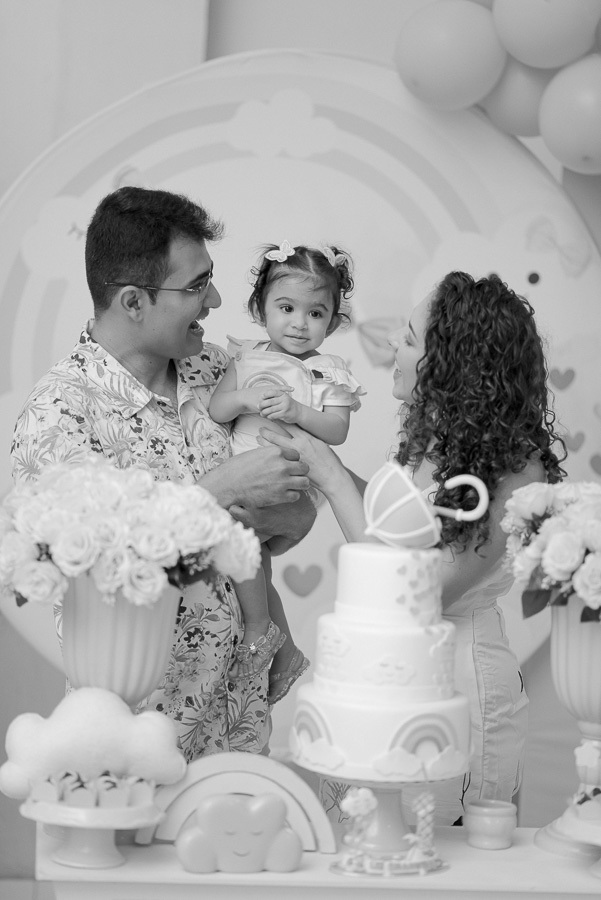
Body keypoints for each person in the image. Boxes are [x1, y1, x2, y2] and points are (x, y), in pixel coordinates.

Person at [10, 186, 316, 762]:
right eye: (197, 286)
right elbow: (96, 570)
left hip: (242, 729)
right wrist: (223, 492)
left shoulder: (219, 372)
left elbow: (295, 514)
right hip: (131, 744)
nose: (218, 299)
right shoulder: (59, 416)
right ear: (132, 301)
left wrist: (284, 509)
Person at [260, 270, 567, 823]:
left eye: (407, 338)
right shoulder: (433, 443)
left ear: (449, 361)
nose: (392, 351)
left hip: (457, 687)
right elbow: (388, 529)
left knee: (442, 857)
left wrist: (331, 476)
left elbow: (420, 587)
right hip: (395, 683)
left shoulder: (514, 465)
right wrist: (311, 455)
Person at [209, 241, 364, 704]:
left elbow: (336, 430)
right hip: (245, 476)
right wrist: (243, 399)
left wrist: (297, 408)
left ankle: (260, 628)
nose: (299, 322)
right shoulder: (245, 359)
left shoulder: (328, 372)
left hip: (288, 482)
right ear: (261, 309)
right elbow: (219, 409)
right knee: (253, 561)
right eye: (286, 307)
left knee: (237, 543)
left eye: (316, 313)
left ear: (333, 321)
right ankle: (286, 648)